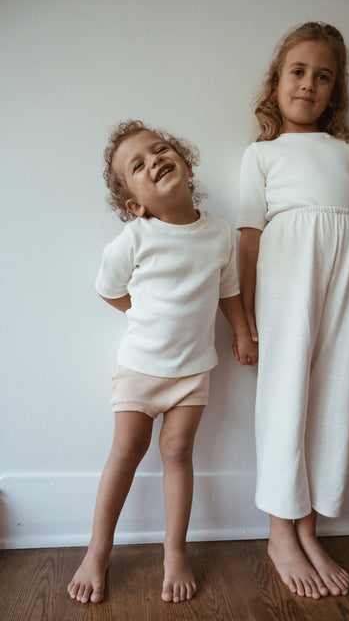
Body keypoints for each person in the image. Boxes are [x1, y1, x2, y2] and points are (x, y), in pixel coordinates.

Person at [67, 120, 258, 605]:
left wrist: (241, 331)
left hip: (193, 372)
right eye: (139, 164)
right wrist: (144, 314)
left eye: (161, 150)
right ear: (135, 204)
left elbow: (228, 290)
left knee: (178, 454)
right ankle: (97, 551)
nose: (154, 160)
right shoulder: (136, 237)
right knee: (126, 454)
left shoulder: (218, 234)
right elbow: (108, 289)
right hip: (139, 370)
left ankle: (175, 550)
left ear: (186, 163)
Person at [237, 22, 349, 600]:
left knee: (333, 392)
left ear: (335, 91)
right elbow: (247, 240)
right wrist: (243, 320)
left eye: (323, 77)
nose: (309, 85)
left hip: (345, 277)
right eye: (298, 71)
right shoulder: (261, 154)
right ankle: (279, 530)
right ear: (277, 80)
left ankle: (310, 526)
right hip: (287, 277)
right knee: (286, 393)